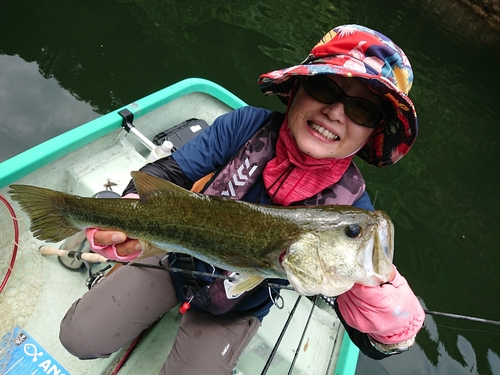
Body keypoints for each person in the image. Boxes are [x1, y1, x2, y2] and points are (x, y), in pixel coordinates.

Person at [59, 24, 425, 374]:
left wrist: (391, 330)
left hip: (235, 309)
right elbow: (169, 174)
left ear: (372, 132)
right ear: (297, 88)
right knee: (78, 337)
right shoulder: (244, 126)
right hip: (173, 262)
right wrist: (128, 208)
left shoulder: (353, 211)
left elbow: (366, 333)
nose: (336, 112)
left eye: (363, 110)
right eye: (326, 89)